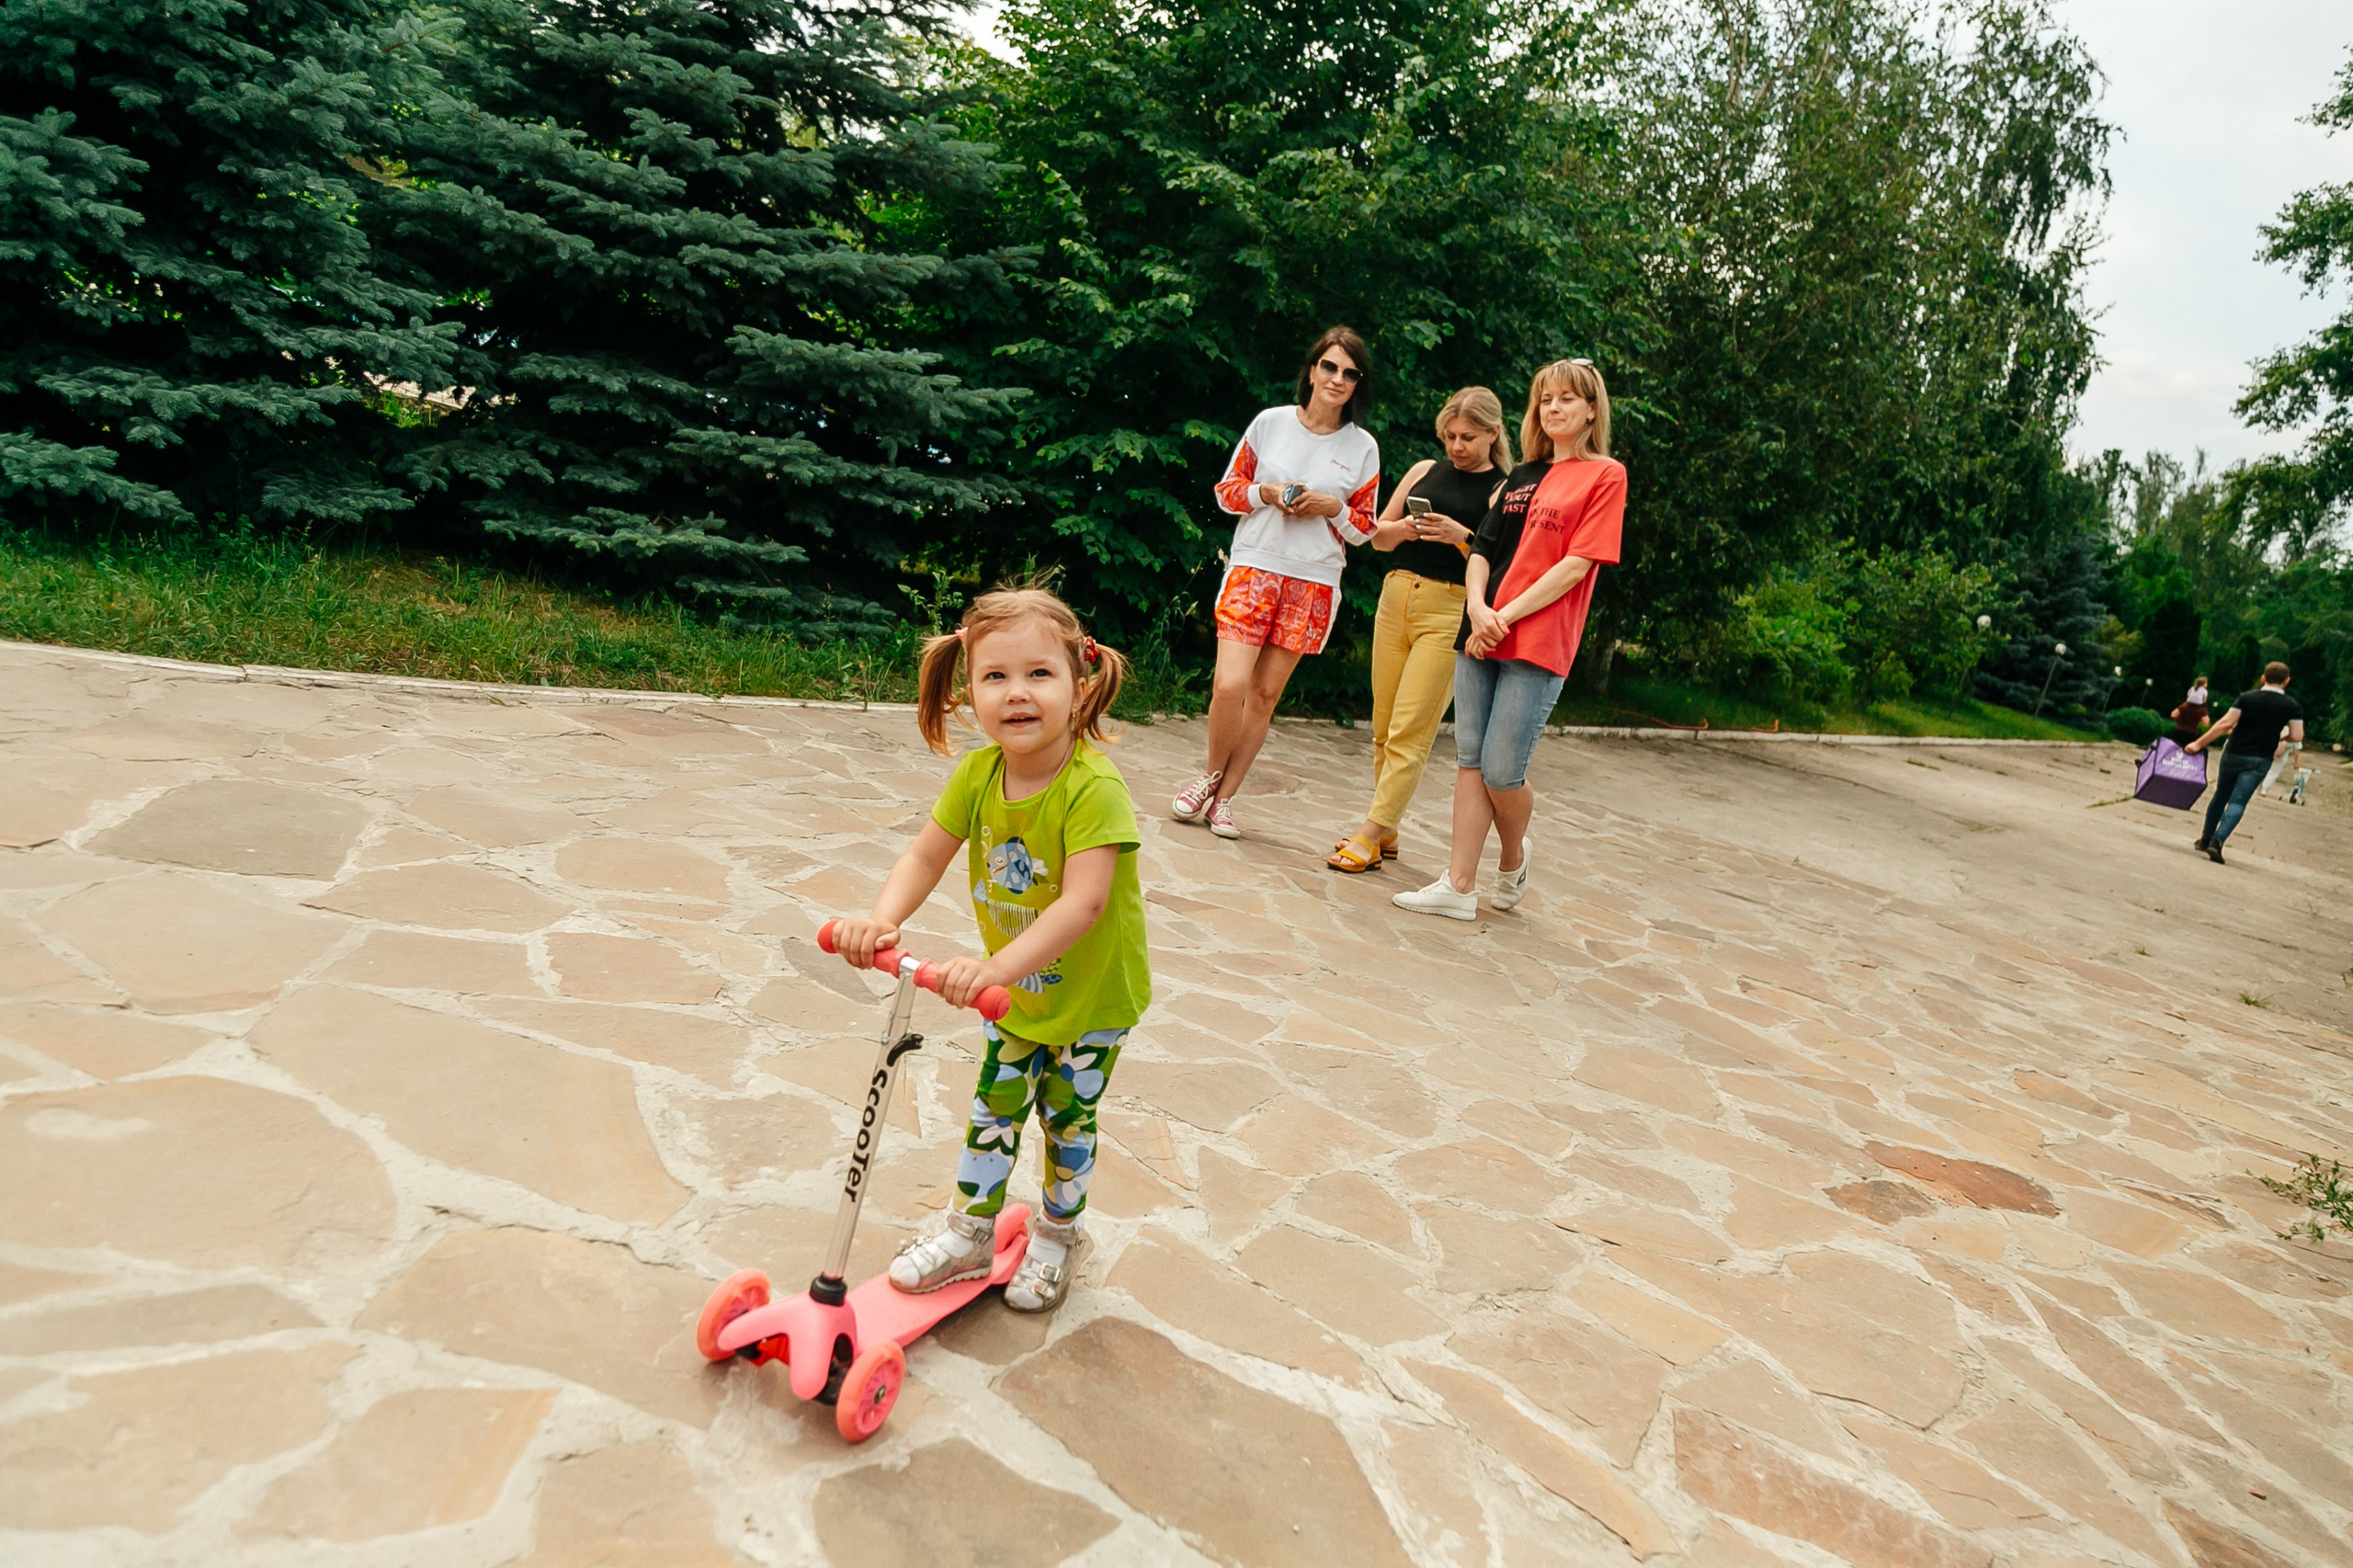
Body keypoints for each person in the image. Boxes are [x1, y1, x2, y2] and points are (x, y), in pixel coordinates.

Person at [827, 585, 1153, 1312]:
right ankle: (970, 1232)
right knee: (993, 1111)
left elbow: (1085, 901)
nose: (1017, 693)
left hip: (1091, 1000)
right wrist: (881, 919)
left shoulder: (1093, 788)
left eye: (1040, 673)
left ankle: (1059, 1234)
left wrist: (994, 969)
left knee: (1066, 1122)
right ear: (968, 688)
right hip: (1012, 998)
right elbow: (924, 857)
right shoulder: (977, 776)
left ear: (1081, 684)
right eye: (995, 676)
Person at [1395, 359, 1624, 920]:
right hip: (1482, 629)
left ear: (1591, 409)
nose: (1554, 408)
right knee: (1470, 758)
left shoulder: (1605, 475)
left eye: (1568, 399)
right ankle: (1458, 884)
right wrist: (1478, 609)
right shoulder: (1521, 475)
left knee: (1502, 769)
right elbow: (1482, 550)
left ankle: (1514, 856)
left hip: (1539, 638)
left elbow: (1576, 565)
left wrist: (1505, 615)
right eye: (1546, 399)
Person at [1172, 327, 1381, 841]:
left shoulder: (1363, 448)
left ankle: (1224, 801)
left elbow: (1365, 528)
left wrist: (1333, 507)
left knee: (1264, 697)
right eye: (1329, 367)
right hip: (1254, 567)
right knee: (1229, 685)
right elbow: (1226, 492)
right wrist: (1266, 492)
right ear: (1312, 370)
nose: (1337, 379)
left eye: (1349, 373)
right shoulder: (1271, 424)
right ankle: (1210, 776)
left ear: (1358, 384)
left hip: (1313, 580)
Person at [1326, 387, 1512, 873]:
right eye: (1449, 435)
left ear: (1493, 433)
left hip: (1450, 610)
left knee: (1412, 729)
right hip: (1396, 596)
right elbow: (1377, 538)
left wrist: (1462, 538)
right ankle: (1387, 828)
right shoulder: (1423, 471)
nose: (1456, 446)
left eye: (1468, 437)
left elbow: (1504, 567)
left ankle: (1369, 832)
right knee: (1384, 727)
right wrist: (1405, 530)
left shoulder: (1503, 490)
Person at [2186, 662, 2304, 865]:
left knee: (2220, 795)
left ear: (2263, 678)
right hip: (2260, 759)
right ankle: (2218, 841)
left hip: (2234, 753)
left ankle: (2205, 839)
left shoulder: (2247, 698)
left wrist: (2198, 743)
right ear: (2286, 681)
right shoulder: (2292, 706)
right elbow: (2297, 735)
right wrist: (2281, 739)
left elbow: (2225, 724)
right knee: (2239, 801)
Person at [2171, 676, 2211, 744]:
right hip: (2191, 733)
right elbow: (2206, 723)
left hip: (2179, 731)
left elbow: (2173, 715)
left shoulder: (2184, 706)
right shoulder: (2202, 709)